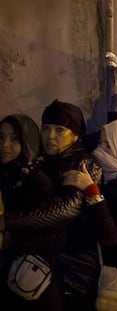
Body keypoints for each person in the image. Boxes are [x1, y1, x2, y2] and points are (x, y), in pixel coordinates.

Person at [2, 100, 102, 311]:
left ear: (75, 135)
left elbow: (66, 209)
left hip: (76, 266)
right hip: (50, 261)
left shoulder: (83, 163)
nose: (50, 136)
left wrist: (7, 221)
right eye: (46, 128)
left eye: (59, 130)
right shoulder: (46, 159)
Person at [63, 119, 117, 310]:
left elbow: (111, 235)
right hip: (92, 272)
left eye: (108, 145)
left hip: (114, 277)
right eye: (101, 142)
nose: (100, 149)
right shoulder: (112, 175)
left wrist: (91, 190)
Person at [0, 114, 64, 311]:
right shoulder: (5, 175)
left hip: (31, 284)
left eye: (14, 138)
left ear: (28, 142)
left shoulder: (38, 180)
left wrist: (8, 238)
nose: (5, 145)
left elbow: (55, 238)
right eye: (0, 137)